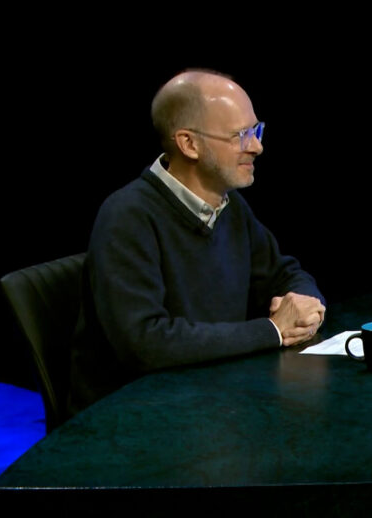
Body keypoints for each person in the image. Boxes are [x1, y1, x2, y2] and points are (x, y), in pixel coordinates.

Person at [69, 69, 325, 414]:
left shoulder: (230, 206)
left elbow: (283, 273)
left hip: (213, 397)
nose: (257, 146)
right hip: (135, 418)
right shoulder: (127, 217)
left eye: (256, 130)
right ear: (189, 143)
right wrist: (272, 331)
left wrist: (306, 306)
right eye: (241, 135)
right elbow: (146, 344)